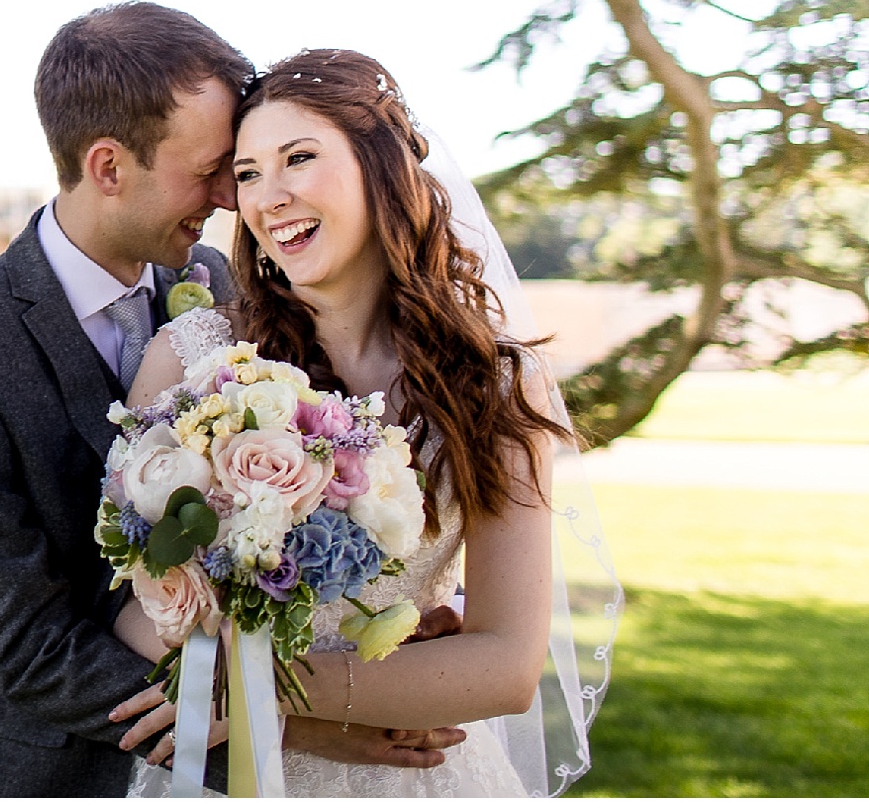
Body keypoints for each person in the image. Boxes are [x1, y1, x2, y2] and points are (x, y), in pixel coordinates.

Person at [0, 9, 471, 797]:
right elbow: (28, 645)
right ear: (108, 167)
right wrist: (299, 729)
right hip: (39, 773)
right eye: (211, 170)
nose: (234, 198)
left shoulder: (236, 294)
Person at [112, 47, 583, 796]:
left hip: (415, 775)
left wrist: (272, 689)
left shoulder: (492, 384)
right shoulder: (194, 359)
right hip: (224, 766)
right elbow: (130, 603)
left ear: (381, 167)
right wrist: (292, 721)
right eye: (246, 173)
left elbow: (505, 665)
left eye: (298, 157)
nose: (269, 197)